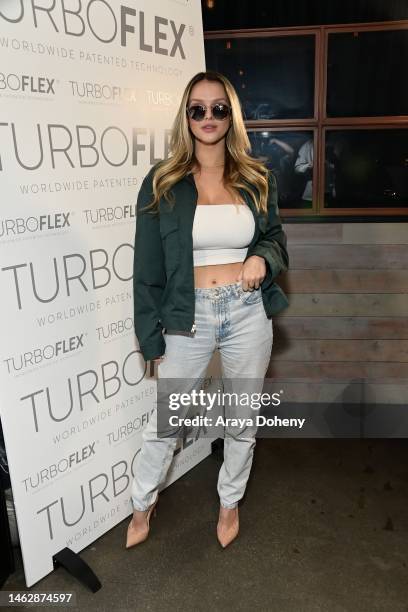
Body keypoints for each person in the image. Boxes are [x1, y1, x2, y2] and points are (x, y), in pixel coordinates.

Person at [127, 70, 289, 550]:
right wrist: (150, 336)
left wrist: (262, 257)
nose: (208, 117)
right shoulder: (163, 182)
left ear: (231, 115)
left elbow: (275, 238)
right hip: (186, 315)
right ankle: (141, 503)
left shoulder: (258, 178)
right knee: (166, 422)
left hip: (246, 312)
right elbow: (147, 267)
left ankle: (229, 500)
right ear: (186, 116)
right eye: (197, 109)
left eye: (219, 108)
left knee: (242, 419)